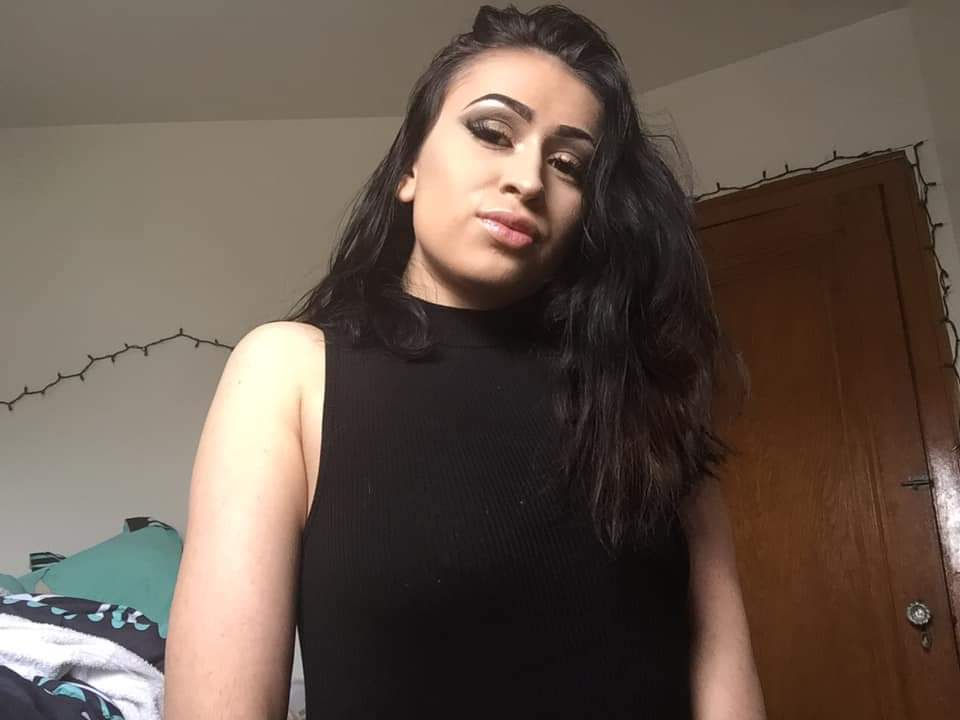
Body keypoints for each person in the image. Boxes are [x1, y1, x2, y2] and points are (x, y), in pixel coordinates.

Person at [164, 4, 765, 719]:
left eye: (569, 164)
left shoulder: (648, 392)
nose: (529, 179)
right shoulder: (289, 373)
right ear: (409, 168)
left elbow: (722, 675)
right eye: (492, 131)